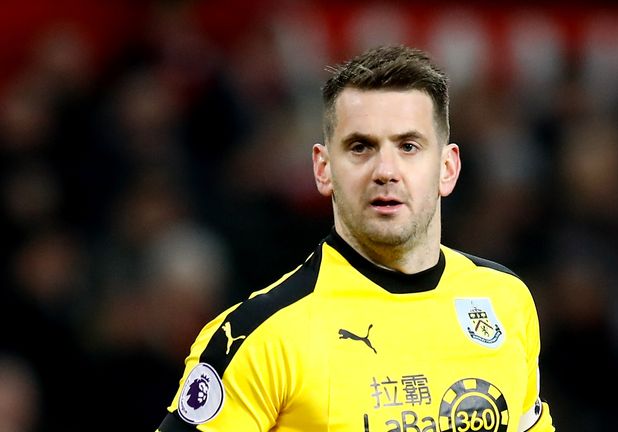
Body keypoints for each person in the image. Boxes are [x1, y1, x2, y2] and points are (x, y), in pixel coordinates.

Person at [156, 44, 555, 432]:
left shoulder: (504, 300)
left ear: (447, 168)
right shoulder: (263, 335)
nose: (386, 170)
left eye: (409, 146)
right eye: (361, 147)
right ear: (323, 169)